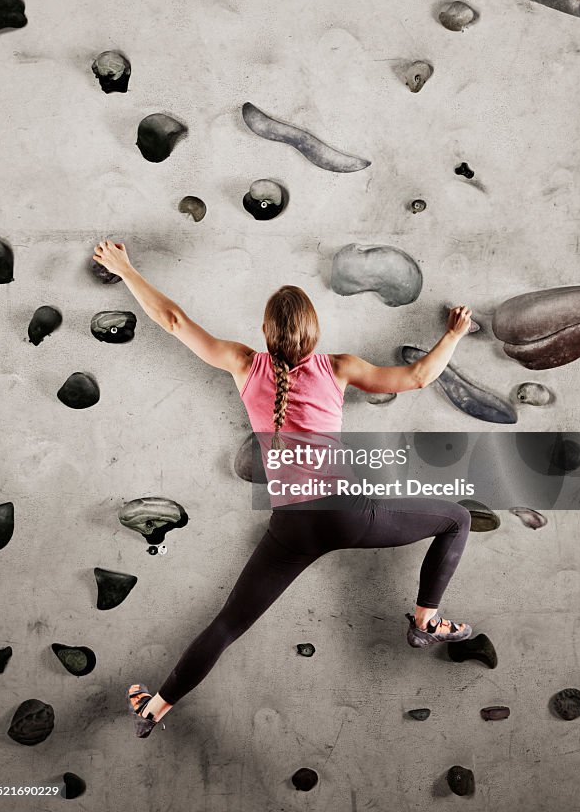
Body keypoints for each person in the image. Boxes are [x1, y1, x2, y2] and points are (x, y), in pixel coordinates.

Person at [91, 240, 474, 739]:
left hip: (291, 526)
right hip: (349, 515)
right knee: (458, 519)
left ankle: (158, 707)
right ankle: (426, 620)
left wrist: (125, 269)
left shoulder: (243, 364)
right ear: (314, 331)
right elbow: (419, 376)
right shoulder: (338, 367)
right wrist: (453, 334)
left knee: (228, 624)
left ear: (265, 333)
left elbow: (175, 321)